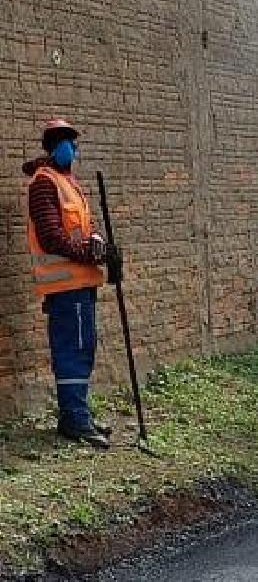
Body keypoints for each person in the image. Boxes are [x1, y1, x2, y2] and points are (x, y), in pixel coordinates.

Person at [24, 119, 120, 449]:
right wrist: (90, 255)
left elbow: (82, 231)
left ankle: (76, 415)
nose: (74, 149)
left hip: (80, 284)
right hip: (65, 286)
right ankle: (75, 422)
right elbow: (52, 238)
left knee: (82, 349)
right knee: (73, 352)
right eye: (68, 142)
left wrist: (102, 247)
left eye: (75, 143)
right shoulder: (43, 184)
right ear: (55, 145)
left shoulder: (69, 182)